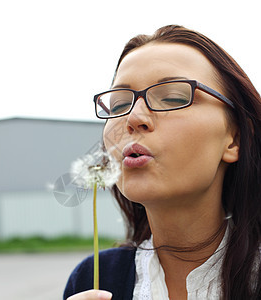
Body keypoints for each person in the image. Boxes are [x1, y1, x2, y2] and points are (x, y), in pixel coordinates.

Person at [63, 25, 261, 300]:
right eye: (119, 105)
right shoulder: (93, 279)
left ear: (235, 140)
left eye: (172, 98)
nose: (132, 119)